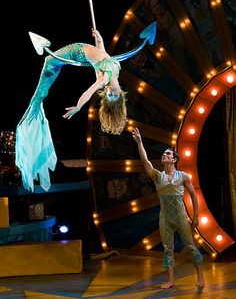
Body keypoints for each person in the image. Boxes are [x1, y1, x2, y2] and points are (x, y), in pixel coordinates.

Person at [15, 28, 127, 192]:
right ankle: (34, 106)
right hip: (79, 51)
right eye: (115, 95)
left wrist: (78, 107)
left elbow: (90, 88)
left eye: (109, 95)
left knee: (49, 64)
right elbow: (101, 58)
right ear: (120, 96)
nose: (111, 92)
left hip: (78, 51)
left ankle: (35, 105)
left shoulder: (111, 73)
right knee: (49, 63)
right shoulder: (112, 73)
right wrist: (100, 39)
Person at [132, 127, 205, 291]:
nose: (164, 155)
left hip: (180, 216)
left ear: (174, 160)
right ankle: (171, 280)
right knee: (168, 249)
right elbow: (145, 161)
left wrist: (195, 216)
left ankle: (200, 276)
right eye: (164, 153)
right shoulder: (157, 175)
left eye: (168, 154)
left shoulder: (183, 176)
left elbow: (194, 195)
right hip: (165, 217)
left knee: (191, 246)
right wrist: (139, 142)